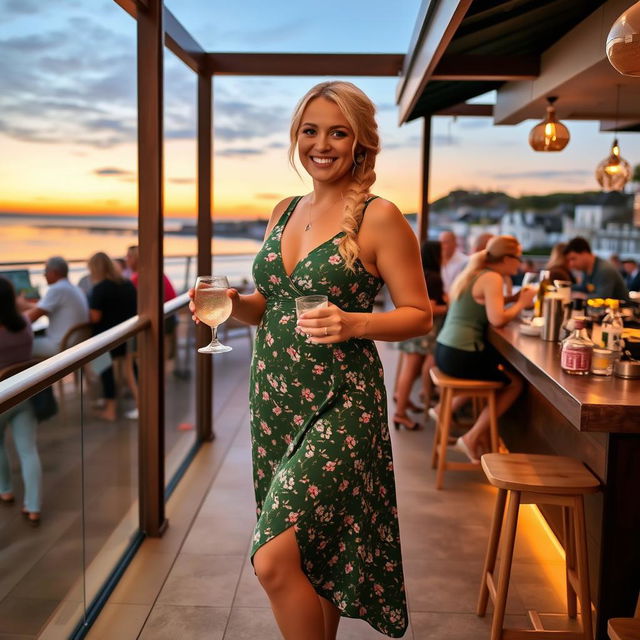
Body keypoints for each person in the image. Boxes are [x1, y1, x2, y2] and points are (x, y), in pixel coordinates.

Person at [189, 81, 431, 639]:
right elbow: (269, 306)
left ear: (360, 143)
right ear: (297, 138)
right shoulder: (284, 209)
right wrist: (228, 306)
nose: (322, 144)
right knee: (311, 557)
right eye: (311, 131)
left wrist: (354, 323)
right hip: (276, 400)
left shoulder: (381, 216)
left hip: (342, 405)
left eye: (338, 132)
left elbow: (420, 315)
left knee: (271, 559)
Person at [434, 236, 536, 463]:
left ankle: (447, 407)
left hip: (445, 349)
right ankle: (472, 437)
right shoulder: (492, 277)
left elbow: (486, 302)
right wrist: (522, 303)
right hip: (462, 353)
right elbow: (497, 318)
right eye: (518, 258)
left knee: (497, 371)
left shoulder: (474, 272)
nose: (519, 264)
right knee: (514, 383)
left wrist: (512, 297)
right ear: (508, 258)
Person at [0, 277, 42, 526]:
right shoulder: (25, 324)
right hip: (24, 395)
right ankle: (34, 507)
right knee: (28, 451)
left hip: (2, 398)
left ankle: (5, 490)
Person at [393, 240, 447, 430]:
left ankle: (403, 403)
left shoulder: (417, 274)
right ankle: (400, 413)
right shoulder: (433, 277)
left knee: (408, 369)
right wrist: (450, 306)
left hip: (410, 328)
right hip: (425, 332)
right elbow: (431, 309)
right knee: (412, 369)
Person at [88, 253, 137, 422]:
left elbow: (95, 317)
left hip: (107, 341)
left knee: (103, 367)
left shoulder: (100, 288)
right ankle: (118, 400)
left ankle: (110, 407)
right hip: (128, 337)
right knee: (130, 368)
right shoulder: (128, 284)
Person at [21, 256, 89, 358]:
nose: (44, 275)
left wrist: (11, 313)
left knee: (17, 347)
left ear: (54, 272)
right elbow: (42, 309)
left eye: (46, 271)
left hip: (62, 345)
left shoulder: (57, 289)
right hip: (76, 342)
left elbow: (29, 319)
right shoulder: (74, 288)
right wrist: (27, 305)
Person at [564, 237, 629, 301]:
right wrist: (565, 288)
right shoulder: (586, 269)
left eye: (573, 259)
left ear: (585, 253)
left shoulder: (604, 270)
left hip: (622, 309)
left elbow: (602, 298)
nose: (571, 264)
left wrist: (582, 296)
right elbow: (585, 288)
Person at [439, 230, 468, 294]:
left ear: (455, 244)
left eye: (445, 242)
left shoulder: (464, 261)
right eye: (440, 243)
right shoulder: (435, 259)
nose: (441, 246)